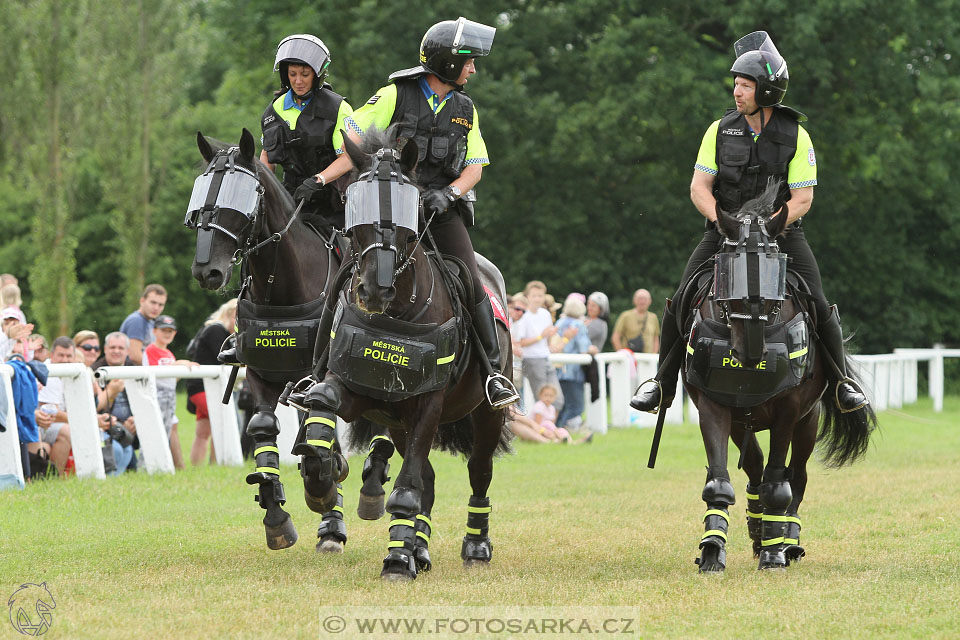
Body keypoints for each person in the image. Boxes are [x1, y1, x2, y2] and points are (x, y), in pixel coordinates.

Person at [631, 31, 868, 416]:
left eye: (745, 85)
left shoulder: (797, 135)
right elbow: (699, 188)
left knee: (820, 305)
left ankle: (842, 383)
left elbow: (802, 198)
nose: (736, 92)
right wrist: (724, 223)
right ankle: (661, 384)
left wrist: (769, 226)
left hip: (782, 234)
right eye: (736, 84)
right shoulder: (718, 130)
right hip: (723, 233)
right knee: (678, 303)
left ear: (767, 90)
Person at [307, 17, 518, 409]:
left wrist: (450, 193)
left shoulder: (465, 108)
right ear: (449, 63)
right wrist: (371, 168)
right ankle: (316, 373)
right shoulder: (393, 95)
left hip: (440, 210)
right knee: (342, 276)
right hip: (389, 208)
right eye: (468, 62)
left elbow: (475, 166)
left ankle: (493, 375)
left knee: (472, 280)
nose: (473, 69)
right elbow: (349, 132)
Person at [261, 34, 355, 230]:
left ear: (317, 74)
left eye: (305, 74)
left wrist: (318, 180)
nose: (298, 81)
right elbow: (267, 158)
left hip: (332, 204)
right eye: (292, 74)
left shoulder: (338, 108)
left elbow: (349, 158)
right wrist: (263, 190)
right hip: (290, 202)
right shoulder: (274, 110)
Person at [185, 299, 236, 466]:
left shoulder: (219, 331)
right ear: (229, 314)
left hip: (203, 386)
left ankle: (197, 468)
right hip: (203, 386)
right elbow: (224, 358)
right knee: (221, 421)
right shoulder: (216, 330)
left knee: (203, 432)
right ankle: (217, 463)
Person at [144, 315, 193, 470]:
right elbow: (154, 373)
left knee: (167, 431)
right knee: (157, 432)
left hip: (169, 397)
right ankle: (151, 466)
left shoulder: (168, 353)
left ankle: (168, 466)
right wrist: (178, 364)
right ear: (155, 331)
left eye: (170, 331)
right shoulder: (151, 350)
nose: (167, 334)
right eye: (163, 330)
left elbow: (171, 379)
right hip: (157, 395)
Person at [513, 281, 563, 412]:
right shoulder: (524, 316)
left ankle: (550, 429)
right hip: (532, 359)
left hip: (545, 356)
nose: (537, 299)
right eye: (534, 295)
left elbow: (547, 337)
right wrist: (541, 336)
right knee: (542, 399)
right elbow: (521, 342)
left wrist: (551, 341)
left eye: (540, 296)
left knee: (557, 399)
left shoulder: (545, 314)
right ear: (527, 296)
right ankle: (544, 431)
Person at [96, 332, 137, 474]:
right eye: (112, 347)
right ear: (105, 349)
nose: (116, 351)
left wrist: (136, 419)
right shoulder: (96, 371)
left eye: (120, 348)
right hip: (107, 427)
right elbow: (95, 407)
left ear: (127, 351)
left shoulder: (135, 371)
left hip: (131, 426)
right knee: (120, 451)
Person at [35, 336, 76, 474]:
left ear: (74, 357)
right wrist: (83, 420)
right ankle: (54, 476)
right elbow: (52, 413)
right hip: (38, 425)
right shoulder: (46, 371)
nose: (65, 360)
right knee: (66, 431)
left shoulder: (74, 371)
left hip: (52, 424)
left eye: (69, 356)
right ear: (51, 355)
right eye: (61, 355)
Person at [552, 295, 592, 430]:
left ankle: (556, 428)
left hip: (558, 371)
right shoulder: (579, 325)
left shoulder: (559, 323)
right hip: (573, 371)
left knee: (561, 404)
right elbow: (584, 348)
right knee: (576, 404)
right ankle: (564, 429)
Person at [119, 284, 167, 365]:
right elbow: (135, 356)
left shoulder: (151, 322)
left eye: (160, 305)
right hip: (133, 374)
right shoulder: (136, 320)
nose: (156, 308)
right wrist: (159, 370)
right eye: (153, 302)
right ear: (142, 301)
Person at [611, 288, 660, 353]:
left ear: (650, 301)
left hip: (648, 359)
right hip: (630, 359)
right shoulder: (625, 316)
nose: (642, 301)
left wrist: (653, 356)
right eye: (640, 298)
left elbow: (656, 339)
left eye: (645, 299)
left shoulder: (653, 317)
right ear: (634, 300)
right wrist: (622, 355)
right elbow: (615, 337)